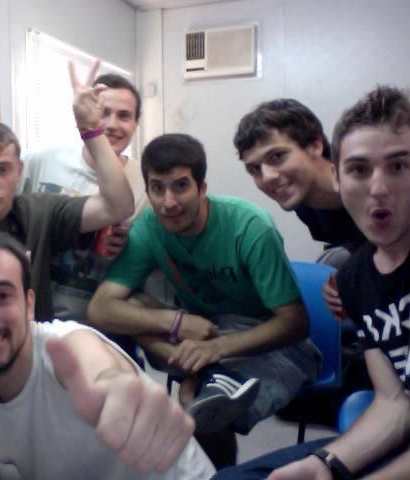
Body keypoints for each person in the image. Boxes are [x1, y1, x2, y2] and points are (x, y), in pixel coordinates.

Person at [0, 60, 135, 471]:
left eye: (3, 170)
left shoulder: (39, 212)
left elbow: (119, 205)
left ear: (19, 170)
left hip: (31, 356)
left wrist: (92, 130)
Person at [87, 133, 319, 468]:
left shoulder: (249, 227)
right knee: (130, 305)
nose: (168, 202)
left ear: (202, 187)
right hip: (203, 330)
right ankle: (203, 376)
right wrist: (176, 322)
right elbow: (100, 307)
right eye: (157, 188)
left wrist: (217, 349)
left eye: (180, 186)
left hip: (272, 343)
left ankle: (204, 386)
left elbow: (295, 323)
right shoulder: (149, 227)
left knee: (208, 412)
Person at [214, 85, 410, 480]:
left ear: (320, 151)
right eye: (358, 170)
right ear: (339, 175)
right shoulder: (354, 270)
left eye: (398, 166)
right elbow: (394, 403)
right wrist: (326, 465)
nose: (377, 189)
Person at [0, 228, 215, 480]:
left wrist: (113, 386)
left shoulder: (66, 345)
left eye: (2, 296)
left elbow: (99, 368)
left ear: (29, 305)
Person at [21, 71, 148, 359]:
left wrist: (126, 249)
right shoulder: (42, 160)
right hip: (34, 322)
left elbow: (147, 268)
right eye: (103, 112)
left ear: (136, 123)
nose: (112, 124)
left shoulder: (145, 183)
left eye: (124, 116)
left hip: (103, 332)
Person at [235, 98, 365, 266]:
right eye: (254, 168)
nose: (267, 177)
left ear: (315, 146)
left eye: (277, 156)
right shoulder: (304, 201)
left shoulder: (368, 184)